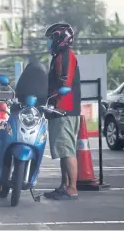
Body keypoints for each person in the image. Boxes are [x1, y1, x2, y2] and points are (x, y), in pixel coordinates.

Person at [43, 23, 81, 200]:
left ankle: (72, 188)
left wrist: (54, 103)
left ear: (60, 39)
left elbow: (64, 85)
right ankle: (64, 185)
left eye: (52, 39)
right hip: (58, 110)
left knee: (67, 150)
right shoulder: (58, 57)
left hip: (64, 110)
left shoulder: (65, 56)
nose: (49, 43)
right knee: (62, 150)